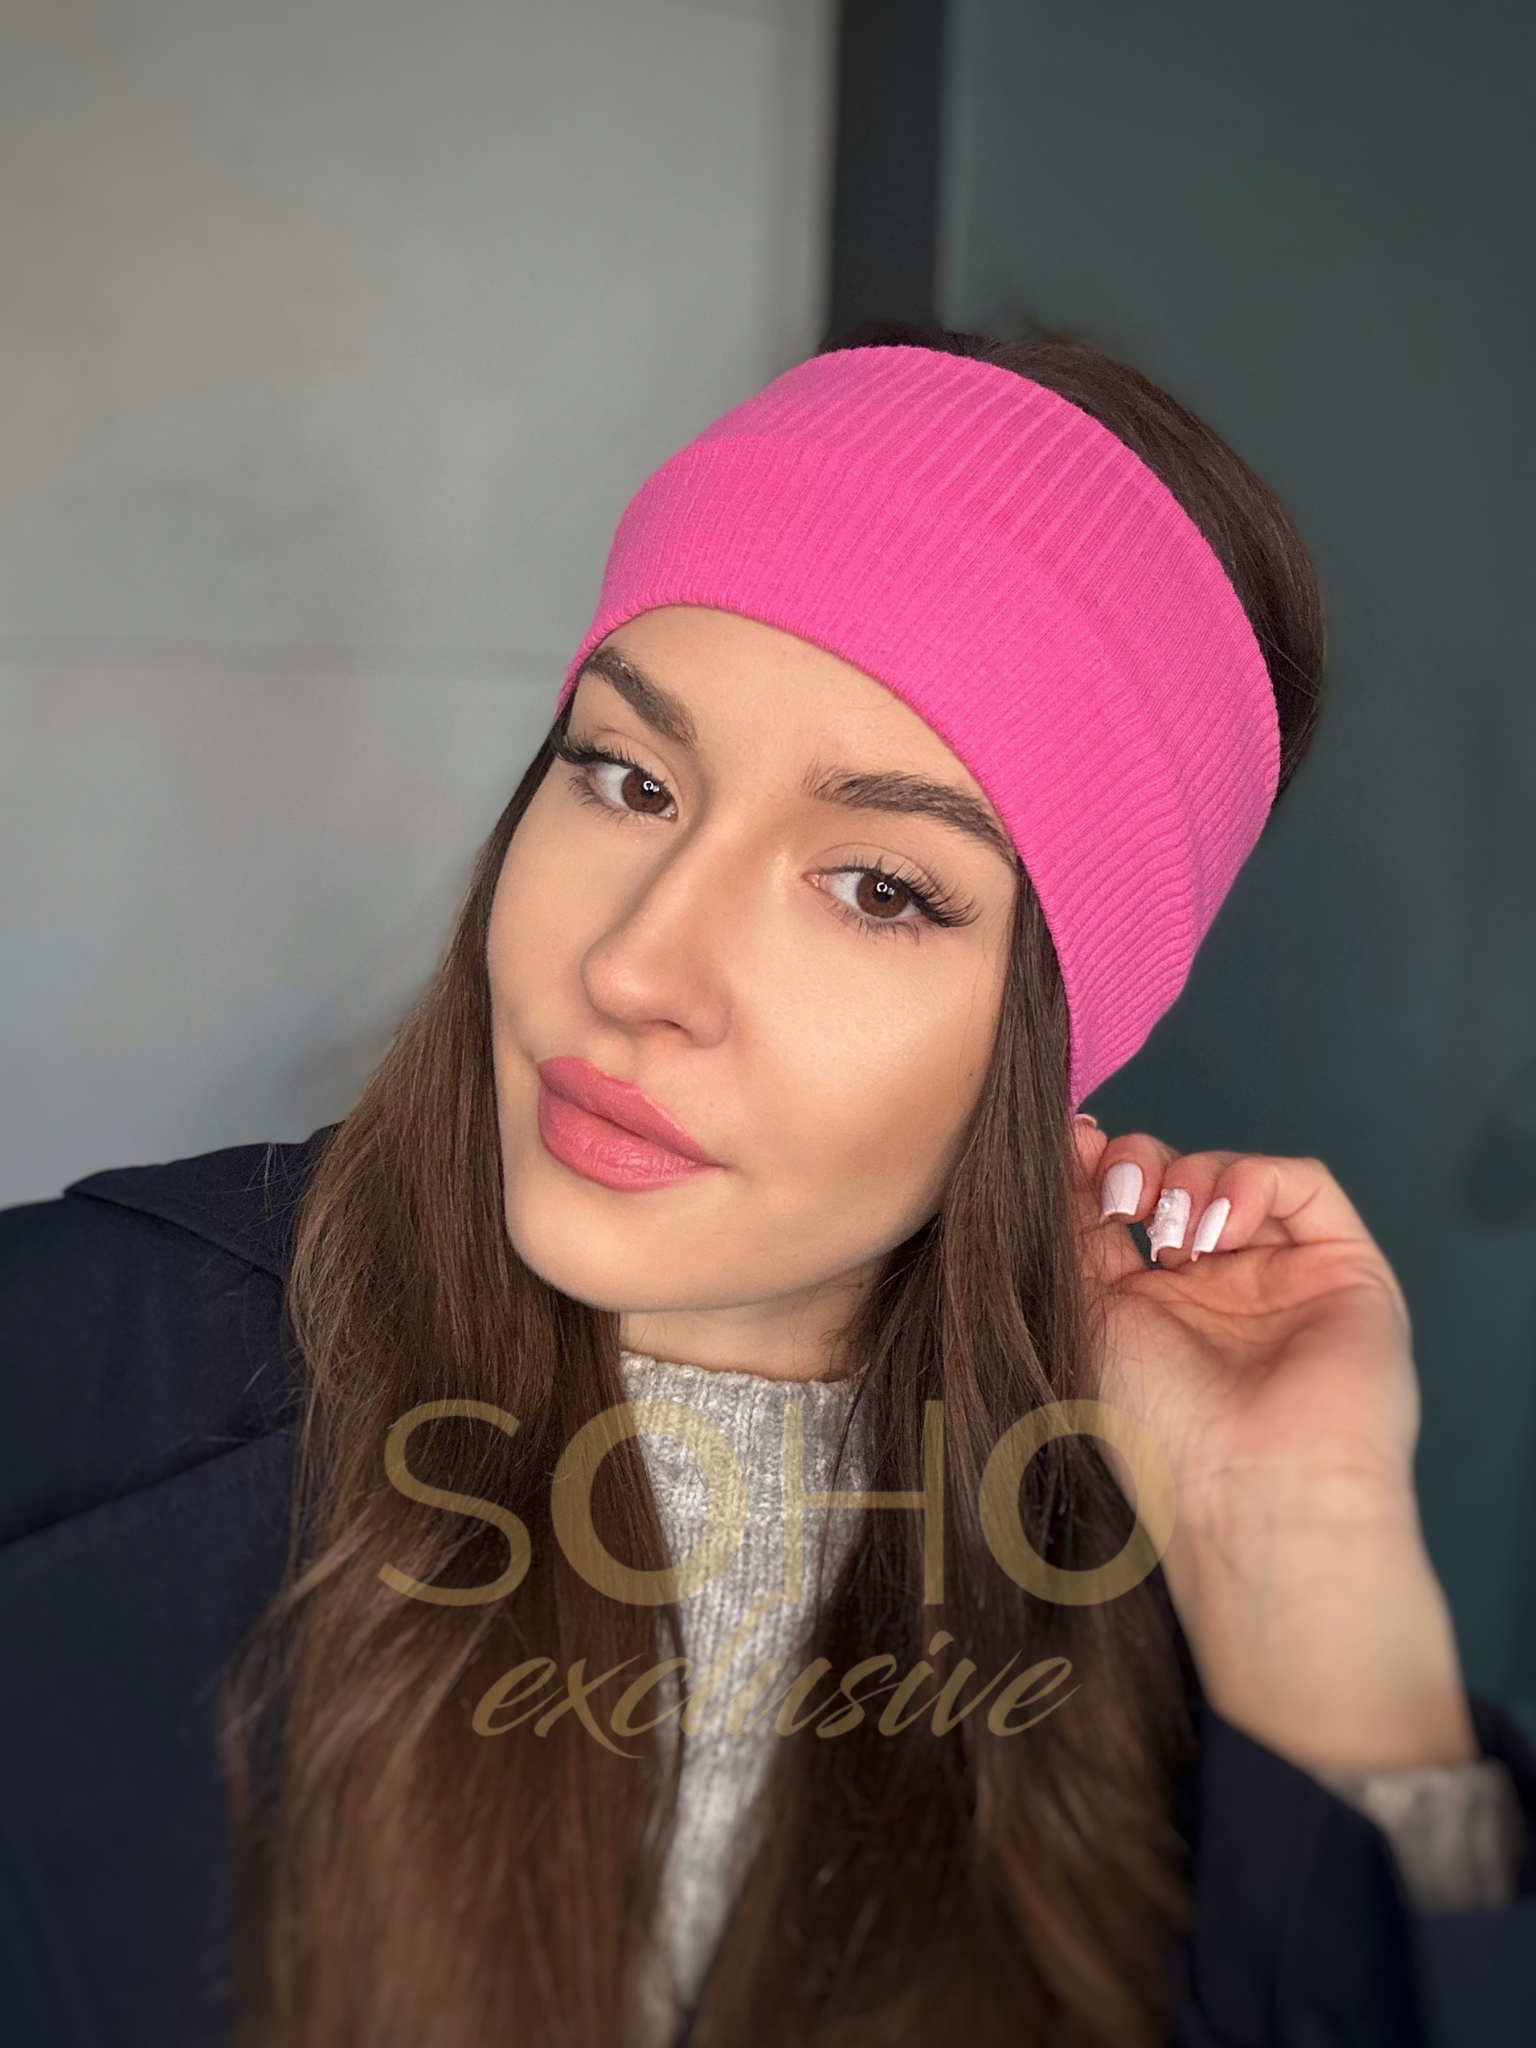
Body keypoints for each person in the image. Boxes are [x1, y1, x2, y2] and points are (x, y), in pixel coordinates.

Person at [1, 323, 1531, 2048]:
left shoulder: (1196, 1661)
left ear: (1053, 1036)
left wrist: (1310, 1554)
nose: (639, 965)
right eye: (629, 777)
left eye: (878, 887)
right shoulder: (70, 1370)